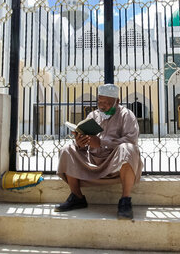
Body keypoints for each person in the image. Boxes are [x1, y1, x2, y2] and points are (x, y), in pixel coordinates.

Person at [55, 83, 143, 219]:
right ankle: (77, 197)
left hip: (114, 161)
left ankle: (125, 200)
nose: (102, 106)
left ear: (117, 101)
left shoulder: (126, 115)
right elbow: (83, 141)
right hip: (92, 160)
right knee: (67, 149)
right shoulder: (93, 115)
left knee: (128, 149)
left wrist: (102, 143)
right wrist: (80, 143)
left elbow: (131, 140)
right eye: (100, 102)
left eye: (107, 103)